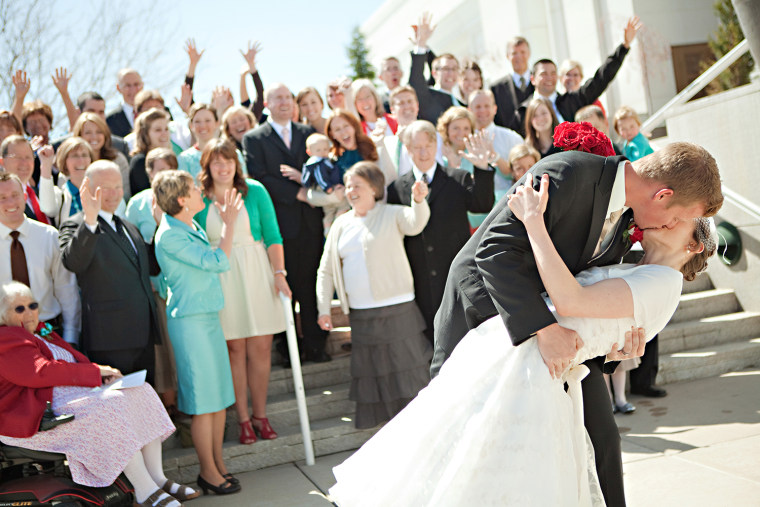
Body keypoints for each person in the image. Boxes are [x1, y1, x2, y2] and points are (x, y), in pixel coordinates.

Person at [328, 174, 718, 507]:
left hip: (537, 364)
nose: (668, 221)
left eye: (682, 221)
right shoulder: (631, 263)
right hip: (522, 350)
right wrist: (616, 349)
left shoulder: (665, 281)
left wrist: (533, 223)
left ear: (694, 245)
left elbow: (571, 301)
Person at [433, 142, 723, 506]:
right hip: (487, 317)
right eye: (678, 216)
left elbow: (586, 300)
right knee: (465, 450)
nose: (671, 224)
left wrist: (612, 348)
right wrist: (545, 329)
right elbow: (492, 252)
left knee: (601, 439)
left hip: (557, 345)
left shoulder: (629, 220)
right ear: (662, 195)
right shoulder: (567, 173)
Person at [0, 281, 199, 506]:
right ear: (3, 314)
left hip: (74, 397)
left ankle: (157, 478)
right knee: (108, 406)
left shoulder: (42, 332)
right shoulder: (7, 337)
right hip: (38, 412)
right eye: (19, 308)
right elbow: (40, 372)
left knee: (140, 390)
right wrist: (96, 372)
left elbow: (72, 362)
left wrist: (103, 376)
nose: (29, 313)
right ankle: (144, 490)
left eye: (32, 305)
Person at [316, 162, 432, 429]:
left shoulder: (392, 213)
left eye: (357, 185)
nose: (351, 191)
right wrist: (323, 309)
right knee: (375, 375)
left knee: (408, 372)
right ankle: (388, 432)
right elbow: (326, 271)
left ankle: (420, 427)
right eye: (348, 186)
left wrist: (418, 200)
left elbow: (416, 223)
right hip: (361, 313)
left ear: (374, 188)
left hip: (398, 309)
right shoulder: (340, 224)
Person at [193, 139, 289, 444]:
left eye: (229, 161)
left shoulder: (255, 191)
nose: (223, 168)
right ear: (207, 166)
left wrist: (279, 273)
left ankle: (261, 415)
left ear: (237, 163)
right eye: (216, 162)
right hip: (221, 276)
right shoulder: (199, 198)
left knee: (261, 346)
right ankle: (243, 419)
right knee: (234, 349)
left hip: (256, 270)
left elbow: (273, 235)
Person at [153, 170, 242, 495]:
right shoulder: (171, 235)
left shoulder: (188, 225)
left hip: (205, 318)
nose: (199, 190)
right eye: (193, 188)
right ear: (181, 199)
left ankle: (217, 466)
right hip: (190, 323)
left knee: (217, 400)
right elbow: (217, 261)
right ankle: (207, 472)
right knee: (204, 402)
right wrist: (230, 224)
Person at [242, 83, 329, 364]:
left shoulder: (308, 134)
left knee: (310, 286)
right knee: (283, 288)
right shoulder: (254, 139)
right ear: (266, 103)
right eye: (277, 97)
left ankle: (316, 347)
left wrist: (308, 189)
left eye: (288, 97)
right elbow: (260, 177)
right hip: (277, 226)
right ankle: (287, 350)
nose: (283, 102)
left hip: (310, 224)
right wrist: (298, 193)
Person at [387, 120, 494, 343]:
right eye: (417, 147)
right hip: (419, 279)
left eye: (428, 145)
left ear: (436, 145)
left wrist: (482, 169)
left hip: (454, 275)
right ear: (408, 150)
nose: (423, 152)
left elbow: (482, 205)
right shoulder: (396, 189)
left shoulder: (457, 178)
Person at [59, 161, 161, 382]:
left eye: (118, 186)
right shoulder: (77, 225)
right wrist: (90, 221)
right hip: (109, 338)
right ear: (87, 188)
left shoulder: (128, 226)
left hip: (142, 334)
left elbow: (152, 267)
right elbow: (73, 262)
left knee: (145, 404)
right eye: (106, 187)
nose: (114, 194)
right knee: (117, 409)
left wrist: (160, 226)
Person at [513, 17, 642, 135]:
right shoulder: (524, 111)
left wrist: (624, 47)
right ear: (533, 79)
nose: (549, 78)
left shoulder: (572, 101)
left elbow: (601, 79)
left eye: (553, 73)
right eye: (543, 74)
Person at [126, 148, 179, 414]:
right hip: (157, 288)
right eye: (157, 170)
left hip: (185, 288)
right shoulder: (137, 204)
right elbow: (134, 250)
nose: (162, 176)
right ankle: (170, 408)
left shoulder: (187, 197)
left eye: (168, 169)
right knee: (165, 354)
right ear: (148, 173)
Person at [0, 172, 80, 345]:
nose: (11, 203)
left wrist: (71, 336)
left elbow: (66, 289)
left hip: (49, 330)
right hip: (4, 336)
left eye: (15, 195)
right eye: (2, 198)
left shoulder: (49, 235)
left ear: (24, 196)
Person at [436, 106, 492, 228]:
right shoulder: (437, 153)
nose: (461, 133)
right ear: (446, 129)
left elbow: (483, 190)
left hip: (478, 222)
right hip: (450, 222)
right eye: (456, 128)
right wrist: (451, 165)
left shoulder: (477, 153)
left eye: (466, 128)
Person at [468, 89, 524, 200]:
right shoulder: (463, 139)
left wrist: (495, 156)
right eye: (478, 107)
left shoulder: (513, 138)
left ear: (495, 109)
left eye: (487, 106)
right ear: (469, 110)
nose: (482, 110)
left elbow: (524, 172)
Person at [408, 13, 464, 123]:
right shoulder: (427, 96)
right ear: (434, 73)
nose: (451, 74)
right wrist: (421, 44)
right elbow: (416, 80)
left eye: (454, 69)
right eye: (446, 69)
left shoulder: (460, 103)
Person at [39, 137, 98, 224]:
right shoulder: (60, 195)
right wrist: (46, 164)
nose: (81, 160)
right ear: (65, 162)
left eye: (84, 155)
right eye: (75, 156)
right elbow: (47, 209)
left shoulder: (101, 190)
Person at [72, 113, 132, 200]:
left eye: (99, 132)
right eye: (88, 132)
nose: (94, 137)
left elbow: (125, 194)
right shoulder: (73, 164)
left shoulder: (118, 159)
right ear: (79, 135)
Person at [179, 103, 245, 179]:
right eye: (197, 122)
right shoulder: (184, 159)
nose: (203, 126)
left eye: (208, 120)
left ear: (217, 123)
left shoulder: (234, 153)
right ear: (191, 126)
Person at [302, 133, 349, 234]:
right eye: (318, 150)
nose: (323, 152)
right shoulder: (317, 163)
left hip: (327, 188)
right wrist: (328, 188)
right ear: (309, 152)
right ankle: (334, 225)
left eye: (325, 149)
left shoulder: (325, 159)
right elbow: (320, 177)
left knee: (329, 210)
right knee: (342, 206)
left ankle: (329, 229)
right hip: (325, 189)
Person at [0, 135, 51, 224]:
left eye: (28, 157)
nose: (24, 163)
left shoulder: (39, 192)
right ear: (2, 162)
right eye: (17, 157)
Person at [129, 108, 178, 195]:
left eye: (166, 129)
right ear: (145, 134)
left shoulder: (171, 156)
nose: (164, 134)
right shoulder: (140, 162)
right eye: (158, 130)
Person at [491, 36, 534, 131]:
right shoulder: (496, 88)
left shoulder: (539, 82)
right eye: (514, 53)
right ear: (507, 56)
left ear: (529, 54)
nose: (519, 57)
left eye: (523, 52)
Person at [106, 68, 143, 137]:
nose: (133, 90)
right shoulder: (110, 120)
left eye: (136, 84)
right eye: (128, 85)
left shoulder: (158, 111)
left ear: (142, 85)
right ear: (118, 88)